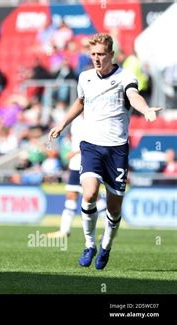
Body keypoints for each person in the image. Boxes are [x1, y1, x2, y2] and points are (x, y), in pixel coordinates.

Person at [48, 33, 161, 270]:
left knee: (114, 208)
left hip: (117, 150)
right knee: (88, 195)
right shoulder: (85, 77)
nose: (97, 59)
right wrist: (62, 124)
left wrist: (146, 109)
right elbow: (80, 101)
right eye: (93, 54)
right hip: (90, 146)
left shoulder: (125, 77)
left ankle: (106, 245)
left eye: (101, 54)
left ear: (111, 55)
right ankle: (89, 244)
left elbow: (133, 96)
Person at [47, 113, 106, 238]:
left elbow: (97, 141)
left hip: (87, 161)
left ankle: (109, 230)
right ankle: (64, 230)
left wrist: (76, 151)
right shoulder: (76, 120)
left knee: (93, 196)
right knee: (71, 194)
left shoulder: (94, 119)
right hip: (75, 163)